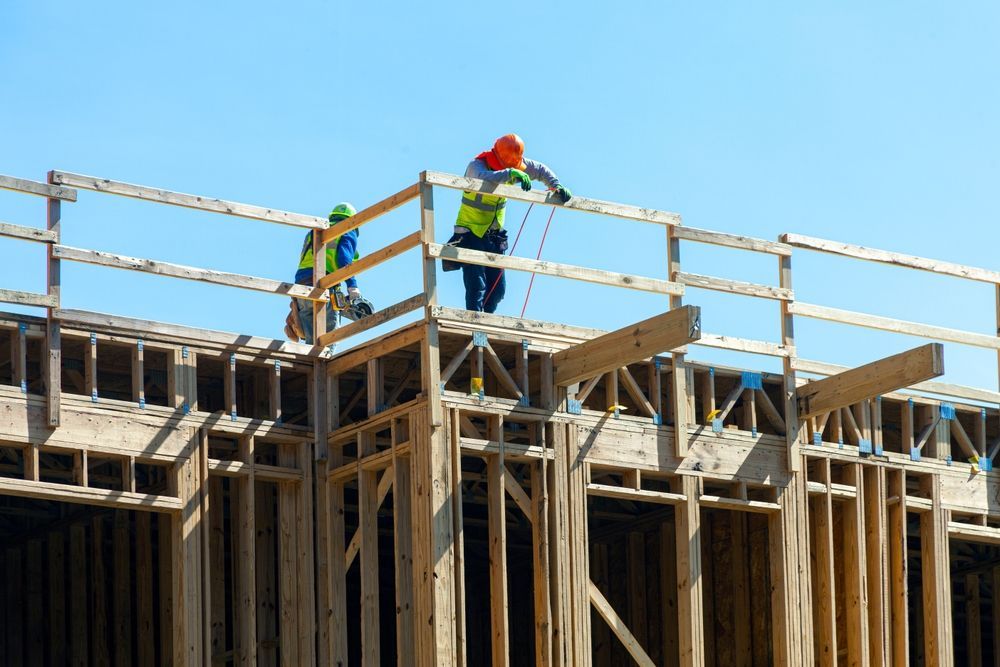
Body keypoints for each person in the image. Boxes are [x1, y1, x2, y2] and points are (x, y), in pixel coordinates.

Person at [445, 133, 572, 312]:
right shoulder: (476, 166)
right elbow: (483, 178)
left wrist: (555, 185)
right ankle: (474, 327)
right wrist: (510, 173)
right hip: (470, 233)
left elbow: (540, 169)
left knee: (497, 291)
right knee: (476, 286)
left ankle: (485, 325)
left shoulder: (513, 164)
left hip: (494, 237)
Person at [285, 202, 363, 343]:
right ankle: (326, 362)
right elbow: (344, 259)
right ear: (352, 220)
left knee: (311, 340)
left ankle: (310, 362)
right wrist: (352, 285)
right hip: (323, 284)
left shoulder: (316, 232)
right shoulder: (346, 229)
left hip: (302, 286)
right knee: (329, 337)